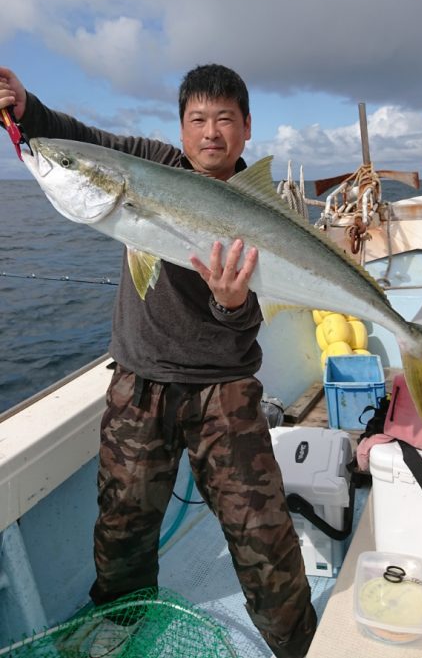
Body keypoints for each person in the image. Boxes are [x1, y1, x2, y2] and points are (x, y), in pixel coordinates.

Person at [0, 64, 317, 658]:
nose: (211, 132)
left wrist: (231, 304)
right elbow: (79, 141)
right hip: (140, 381)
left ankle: (300, 643)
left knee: (263, 533)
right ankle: (121, 626)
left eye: (225, 119)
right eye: (198, 119)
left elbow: (256, 313)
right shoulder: (150, 163)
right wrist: (24, 106)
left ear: (247, 127)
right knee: (122, 527)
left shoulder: (261, 209)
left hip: (224, 387)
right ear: (181, 128)